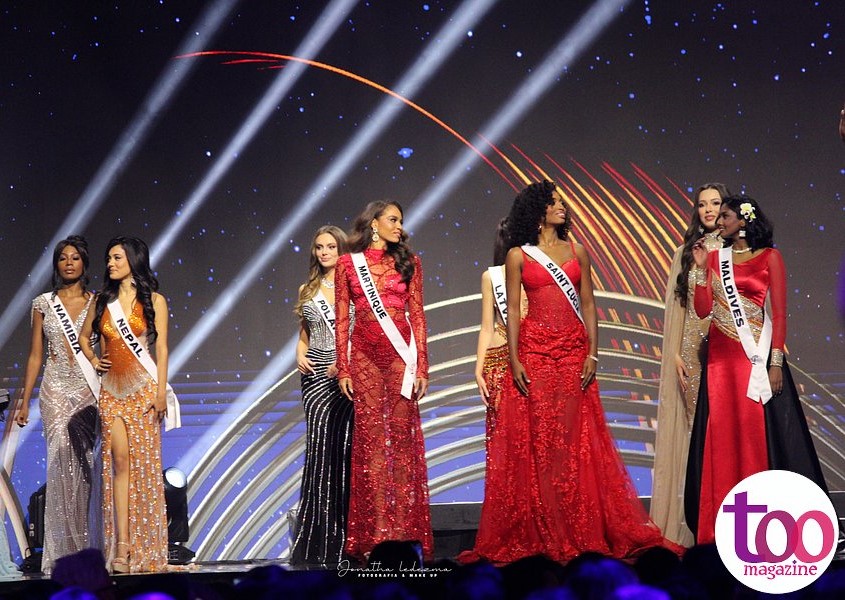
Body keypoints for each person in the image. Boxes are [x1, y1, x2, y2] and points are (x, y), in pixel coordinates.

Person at [468, 181, 680, 564]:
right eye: (554, 202)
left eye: (562, 202)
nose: (561, 207)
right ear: (537, 211)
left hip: (572, 354)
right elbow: (512, 311)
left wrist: (593, 354)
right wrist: (514, 359)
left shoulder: (577, 251)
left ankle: (577, 525)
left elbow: (589, 305)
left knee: (574, 441)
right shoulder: (517, 256)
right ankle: (544, 525)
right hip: (533, 353)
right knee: (539, 441)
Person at [685, 195, 828, 544]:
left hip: (755, 360)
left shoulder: (770, 257)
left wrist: (775, 362)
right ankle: (720, 525)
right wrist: (700, 270)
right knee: (721, 437)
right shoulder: (715, 258)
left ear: (744, 221)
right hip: (719, 363)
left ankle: (764, 523)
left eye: (726, 216)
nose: (719, 222)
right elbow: (703, 310)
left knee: (754, 437)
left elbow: (778, 314)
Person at [335, 200, 433, 561]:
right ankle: (376, 530)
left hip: (399, 358)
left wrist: (422, 367)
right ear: (373, 223)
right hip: (364, 359)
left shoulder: (410, 262)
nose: (399, 226)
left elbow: (417, 316)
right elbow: (342, 319)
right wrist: (343, 368)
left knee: (402, 444)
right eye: (393, 219)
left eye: (401, 221)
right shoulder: (348, 264)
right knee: (373, 443)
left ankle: (404, 529)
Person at [80, 237, 171, 573]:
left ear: (133, 260)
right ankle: (121, 545)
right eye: (108, 258)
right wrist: (94, 360)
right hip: (112, 392)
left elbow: (162, 349)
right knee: (118, 463)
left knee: (144, 468)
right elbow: (84, 338)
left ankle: (146, 546)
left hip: (143, 390)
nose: (110, 263)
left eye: (117, 257)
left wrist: (160, 393)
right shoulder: (102, 301)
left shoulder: (155, 300)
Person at [649, 183, 729, 547]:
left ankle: (729, 515)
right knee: (699, 434)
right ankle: (701, 520)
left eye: (715, 203)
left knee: (725, 432)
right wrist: (675, 355)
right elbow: (676, 310)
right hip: (693, 353)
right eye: (702, 204)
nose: (708, 210)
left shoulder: (735, 251)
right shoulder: (685, 253)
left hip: (729, 352)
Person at [15, 235, 100, 574]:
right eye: (63, 258)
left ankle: (87, 551)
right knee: (59, 467)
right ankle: (61, 555)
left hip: (87, 391)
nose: (68, 263)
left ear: (84, 263)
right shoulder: (42, 304)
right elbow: (35, 356)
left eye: (75, 257)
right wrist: (24, 401)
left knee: (85, 468)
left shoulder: (98, 302)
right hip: (55, 390)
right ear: (56, 265)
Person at [289, 226, 354, 566]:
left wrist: (346, 362)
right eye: (319, 247)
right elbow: (305, 335)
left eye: (330, 246)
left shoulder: (355, 286)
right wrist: (299, 355)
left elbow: (362, 332)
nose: (324, 252)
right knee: (319, 449)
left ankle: (346, 536)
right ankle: (318, 536)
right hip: (314, 376)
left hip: (345, 375)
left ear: (342, 250)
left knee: (344, 449)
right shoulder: (308, 289)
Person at [474, 218, 526, 443]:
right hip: (498, 360)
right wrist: (478, 370)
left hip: (532, 354)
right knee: (503, 434)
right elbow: (487, 327)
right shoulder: (491, 277)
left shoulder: (538, 273)